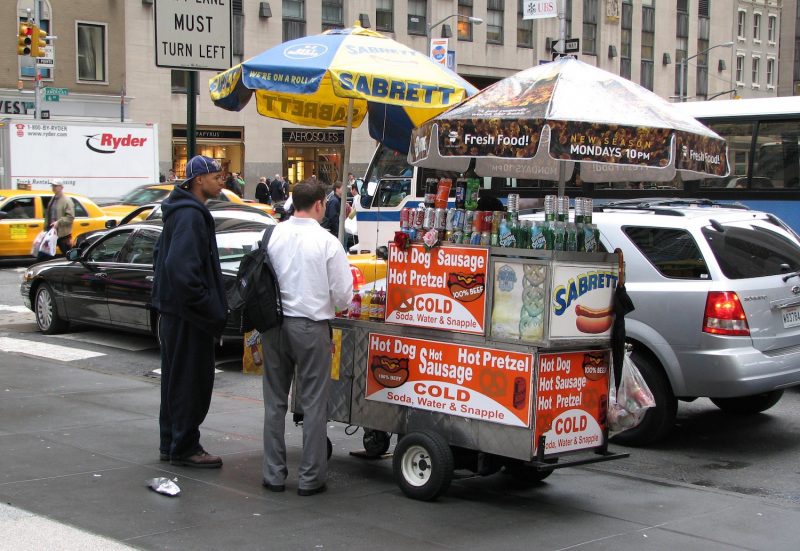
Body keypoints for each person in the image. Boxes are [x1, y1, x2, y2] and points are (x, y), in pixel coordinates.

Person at [261, 181, 353, 496]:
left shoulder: (273, 234)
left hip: (273, 324)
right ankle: (311, 478)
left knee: (274, 402)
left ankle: (273, 474)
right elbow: (343, 297)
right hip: (311, 326)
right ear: (318, 204)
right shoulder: (327, 242)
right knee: (314, 403)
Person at [152, 155, 229, 469]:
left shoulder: (181, 211)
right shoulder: (190, 216)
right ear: (199, 180)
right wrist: (206, 306)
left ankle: (172, 442)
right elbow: (180, 268)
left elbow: (167, 260)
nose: (222, 180)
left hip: (176, 312)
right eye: (216, 176)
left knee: (175, 380)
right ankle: (184, 447)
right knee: (189, 382)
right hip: (187, 315)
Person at [38, 180, 74, 261]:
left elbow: (70, 217)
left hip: (63, 234)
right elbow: (48, 215)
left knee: (69, 256)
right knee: (43, 255)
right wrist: (45, 229)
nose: (53, 188)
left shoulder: (67, 201)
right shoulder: (53, 199)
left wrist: (58, 222)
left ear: (61, 187)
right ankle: (41, 268)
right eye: (52, 186)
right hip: (51, 232)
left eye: (55, 186)